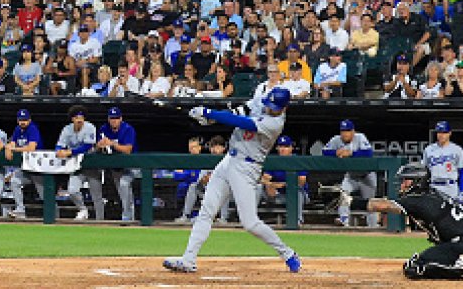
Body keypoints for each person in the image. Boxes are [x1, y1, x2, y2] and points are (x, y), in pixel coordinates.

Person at [164, 88, 301, 274]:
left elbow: (242, 122)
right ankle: (189, 259)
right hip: (229, 160)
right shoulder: (263, 100)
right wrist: (212, 119)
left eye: (274, 107)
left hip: (247, 168)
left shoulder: (275, 123)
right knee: (206, 210)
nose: (269, 108)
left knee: (250, 223)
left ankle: (288, 254)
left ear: (284, 108)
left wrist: (209, 113)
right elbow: (240, 111)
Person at [346, 162, 463, 281]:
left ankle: (460, 269)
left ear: (417, 182)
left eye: (406, 180)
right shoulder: (432, 194)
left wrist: (350, 202)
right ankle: (456, 262)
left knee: (414, 269)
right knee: (415, 264)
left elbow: (383, 205)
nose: (402, 184)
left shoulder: (418, 200)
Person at [324, 119, 378, 227]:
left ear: (353, 131)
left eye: (348, 131)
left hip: (367, 176)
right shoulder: (336, 140)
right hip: (351, 176)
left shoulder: (360, 137)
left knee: (370, 203)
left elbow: (368, 153)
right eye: (343, 131)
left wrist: (351, 153)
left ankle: (373, 227)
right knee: (343, 194)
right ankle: (344, 220)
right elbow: (325, 151)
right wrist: (336, 152)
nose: (345, 133)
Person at [54, 105, 101, 220]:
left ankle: (101, 220)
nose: (79, 120)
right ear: (72, 119)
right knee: (72, 190)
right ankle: (83, 209)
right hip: (76, 167)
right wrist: (58, 151)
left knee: (97, 196)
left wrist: (69, 152)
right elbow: (60, 144)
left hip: (91, 165)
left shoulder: (90, 127)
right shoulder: (67, 129)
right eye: (77, 117)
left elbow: (87, 146)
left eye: (81, 117)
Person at [96, 106, 138, 221]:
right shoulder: (104, 129)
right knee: (123, 192)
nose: (114, 120)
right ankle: (129, 217)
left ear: (121, 118)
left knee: (124, 185)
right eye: (112, 118)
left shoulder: (128, 129)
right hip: (116, 166)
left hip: (132, 165)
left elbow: (128, 150)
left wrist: (112, 143)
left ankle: (127, 217)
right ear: (108, 119)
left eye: (116, 118)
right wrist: (99, 145)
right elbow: (97, 147)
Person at [259, 135, 308, 226]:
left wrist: (283, 184)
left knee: (297, 190)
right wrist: (270, 185)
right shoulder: (274, 160)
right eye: (280, 146)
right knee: (258, 187)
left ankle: (298, 221)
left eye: (286, 146)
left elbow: (301, 181)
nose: (282, 149)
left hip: (296, 196)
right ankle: (252, 219)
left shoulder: (298, 160)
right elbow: (264, 179)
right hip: (278, 195)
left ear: (291, 148)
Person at [5, 108, 44, 219]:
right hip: (26, 167)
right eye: (21, 120)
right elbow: (11, 143)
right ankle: (20, 210)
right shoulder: (18, 129)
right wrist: (8, 147)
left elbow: (31, 148)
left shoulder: (33, 128)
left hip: (38, 168)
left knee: (44, 195)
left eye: (25, 120)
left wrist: (13, 149)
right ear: (18, 120)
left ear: (29, 120)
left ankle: (54, 215)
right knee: (14, 181)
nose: (23, 122)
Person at [422, 120, 463, 201]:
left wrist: (462, 191)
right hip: (434, 186)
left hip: (450, 187)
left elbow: (462, 171)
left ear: (450, 133)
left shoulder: (457, 149)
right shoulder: (428, 150)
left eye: (444, 132)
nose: (441, 135)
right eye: (439, 132)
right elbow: (424, 171)